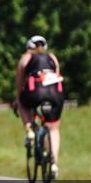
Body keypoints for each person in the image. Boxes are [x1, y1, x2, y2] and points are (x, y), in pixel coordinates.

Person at [15, 35, 64, 175]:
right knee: (53, 128)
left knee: (21, 102)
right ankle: (54, 163)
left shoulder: (26, 58)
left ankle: (29, 128)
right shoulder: (52, 57)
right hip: (55, 95)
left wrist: (17, 99)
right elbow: (57, 75)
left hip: (34, 93)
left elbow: (19, 84)